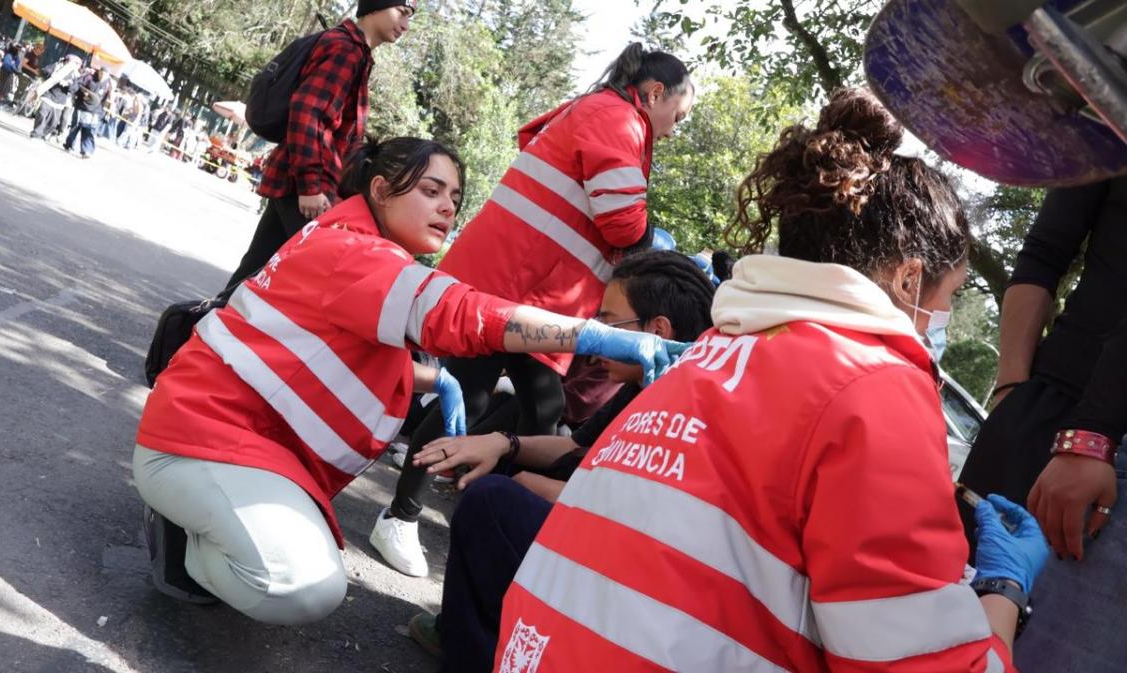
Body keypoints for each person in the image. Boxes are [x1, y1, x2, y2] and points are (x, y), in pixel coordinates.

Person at [493, 88, 1049, 672]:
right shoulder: (870, 382)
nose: (941, 322)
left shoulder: (715, 352)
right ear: (910, 281)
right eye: (951, 295)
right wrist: (1002, 591)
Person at [132, 137, 686, 626]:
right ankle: (184, 543)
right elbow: (467, 316)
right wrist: (598, 336)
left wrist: (436, 382)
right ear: (380, 189)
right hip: (206, 443)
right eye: (430, 189)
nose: (447, 207)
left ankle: (209, 523)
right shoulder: (356, 254)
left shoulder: (349, 241)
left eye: (455, 198)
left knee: (306, 566)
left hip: (232, 442)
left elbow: (322, 348)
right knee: (301, 588)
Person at [371, 41, 696, 578]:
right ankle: (401, 514)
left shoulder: (601, 114)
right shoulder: (617, 120)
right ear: (654, 93)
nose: (674, 128)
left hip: (539, 292)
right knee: (472, 396)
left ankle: (484, 511)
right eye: (676, 115)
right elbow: (623, 224)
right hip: (512, 289)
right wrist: (643, 241)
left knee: (541, 409)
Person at [403, 250, 716, 670]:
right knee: (507, 473)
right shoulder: (644, 379)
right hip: (607, 541)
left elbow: (638, 512)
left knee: (492, 501)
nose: (596, 336)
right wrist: (501, 443)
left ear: (656, 329)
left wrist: (543, 489)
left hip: (635, 576)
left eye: (608, 321)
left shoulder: (684, 402)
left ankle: (480, 655)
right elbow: (574, 448)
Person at [956, 178, 1127, 672]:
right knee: (952, 632)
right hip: (1058, 420)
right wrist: (1012, 388)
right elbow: (1045, 250)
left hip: (1088, 438)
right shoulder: (1106, 111)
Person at [221, 0, 415, 290]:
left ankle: (193, 330)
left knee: (253, 279)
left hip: (298, 184)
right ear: (375, 6)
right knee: (302, 286)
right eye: (402, 12)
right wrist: (311, 185)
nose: (405, 25)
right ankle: (194, 329)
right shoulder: (346, 50)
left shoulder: (355, 51)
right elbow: (307, 111)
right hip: (306, 190)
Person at [29, 55, 81, 140]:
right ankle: (36, 133)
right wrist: (52, 74)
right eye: (69, 62)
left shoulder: (75, 75)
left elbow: (74, 88)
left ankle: (43, 135)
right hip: (48, 94)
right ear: (66, 61)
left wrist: (68, 84)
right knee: (42, 113)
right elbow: (44, 71)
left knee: (53, 122)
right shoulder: (57, 66)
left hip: (60, 100)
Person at [65, 67, 111, 158]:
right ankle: (69, 144)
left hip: (95, 111)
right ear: (99, 72)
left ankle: (86, 151)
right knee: (75, 127)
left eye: (105, 75)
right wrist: (82, 94)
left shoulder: (108, 85)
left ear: (108, 76)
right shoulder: (89, 77)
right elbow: (78, 84)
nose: (102, 76)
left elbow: (106, 99)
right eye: (101, 73)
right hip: (81, 106)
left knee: (89, 131)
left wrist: (103, 111)